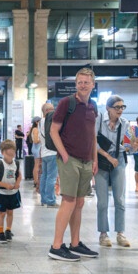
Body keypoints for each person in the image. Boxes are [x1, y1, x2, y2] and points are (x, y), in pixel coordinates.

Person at [47, 67, 100, 262]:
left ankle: (75, 243)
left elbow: (92, 135)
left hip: (86, 160)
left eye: (87, 82)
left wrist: (94, 159)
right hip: (70, 159)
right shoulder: (66, 103)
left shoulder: (93, 106)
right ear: (76, 84)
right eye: (80, 82)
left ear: (93, 85)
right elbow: (54, 130)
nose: (83, 85)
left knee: (79, 202)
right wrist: (64, 155)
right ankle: (56, 245)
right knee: (68, 201)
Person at [95, 95, 131, 248]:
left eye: (122, 107)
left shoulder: (125, 123)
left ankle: (120, 233)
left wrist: (135, 145)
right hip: (102, 160)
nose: (120, 110)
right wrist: (107, 157)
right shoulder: (99, 119)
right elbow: (93, 142)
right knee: (102, 201)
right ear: (108, 108)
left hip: (119, 160)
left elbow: (127, 143)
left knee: (120, 199)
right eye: (117, 107)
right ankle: (103, 233)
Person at [0, 140, 21, 244]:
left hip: (13, 193)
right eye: (8, 154)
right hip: (2, 192)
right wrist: (5, 185)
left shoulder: (16, 163)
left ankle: (8, 230)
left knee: (10, 212)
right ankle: (0, 233)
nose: (10, 157)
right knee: (2, 213)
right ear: (3, 152)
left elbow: (19, 175)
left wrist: (17, 183)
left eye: (12, 154)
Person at [38, 103, 59, 207]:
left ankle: (44, 199)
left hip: (44, 153)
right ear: (46, 111)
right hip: (52, 152)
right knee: (51, 178)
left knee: (44, 177)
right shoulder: (50, 121)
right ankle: (50, 201)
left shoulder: (40, 123)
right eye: (51, 109)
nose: (54, 111)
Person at [30, 117, 42, 193]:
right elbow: (35, 140)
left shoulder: (35, 129)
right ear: (37, 122)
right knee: (37, 165)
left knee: (37, 165)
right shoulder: (36, 129)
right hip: (37, 148)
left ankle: (36, 181)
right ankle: (36, 181)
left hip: (36, 148)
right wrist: (43, 139)